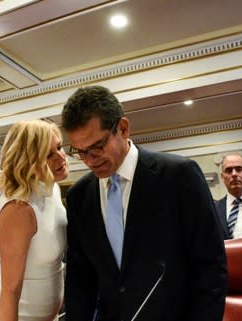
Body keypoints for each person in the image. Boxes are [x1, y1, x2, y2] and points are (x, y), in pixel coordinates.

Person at [61, 86, 227, 321]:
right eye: (80, 151)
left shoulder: (179, 176)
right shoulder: (79, 195)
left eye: (97, 147)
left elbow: (210, 266)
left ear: (123, 128)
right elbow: (81, 277)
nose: (89, 160)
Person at [0, 119, 69, 321]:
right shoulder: (19, 208)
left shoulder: (52, 189)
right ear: (27, 161)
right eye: (48, 155)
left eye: (59, 147)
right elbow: (10, 291)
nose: (60, 158)